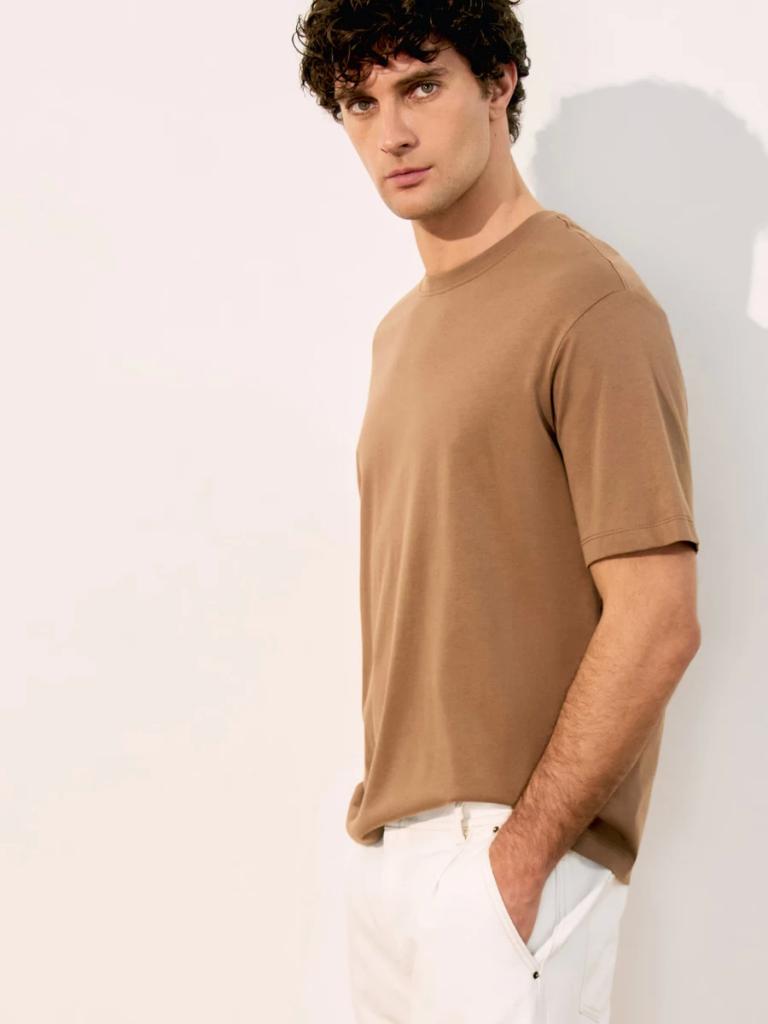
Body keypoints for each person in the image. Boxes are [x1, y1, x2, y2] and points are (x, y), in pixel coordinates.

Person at [294, 2, 702, 1021]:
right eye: (360, 103)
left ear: (499, 83)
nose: (391, 132)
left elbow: (658, 617)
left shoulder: (591, 303)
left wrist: (520, 857)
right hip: (389, 854)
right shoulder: (398, 334)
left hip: (508, 860)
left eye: (422, 86)